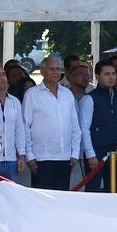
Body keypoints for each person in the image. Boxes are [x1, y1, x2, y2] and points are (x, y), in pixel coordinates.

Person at [23, 56, 81, 190]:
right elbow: (25, 126)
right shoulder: (32, 94)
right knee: (42, 199)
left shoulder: (67, 94)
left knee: (62, 199)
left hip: (65, 157)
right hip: (41, 158)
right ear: (43, 71)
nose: (56, 72)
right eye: (52, 69)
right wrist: (29, 156)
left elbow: (75, 126)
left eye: (58, 69)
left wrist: (75, 153)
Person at [79, 60, 117, 193]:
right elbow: (84, 129)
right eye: (107, 74)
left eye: (113, 74)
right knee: (93, 191)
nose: (111, 77)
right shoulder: (89, 99)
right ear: (97, 76)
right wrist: (90, 154)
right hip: (96, 153)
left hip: (116, 153)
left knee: (113, 191)